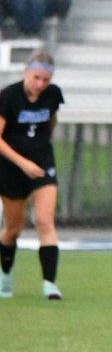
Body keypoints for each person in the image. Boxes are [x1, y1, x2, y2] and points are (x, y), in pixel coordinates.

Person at [0, 53, 65, 301]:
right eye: (36, 77)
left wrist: (39, 151)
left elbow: (51, 122)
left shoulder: (53, 95)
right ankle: (5, 275)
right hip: (10, 167)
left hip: (42, 164)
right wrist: (23, 162)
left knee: (44, 220)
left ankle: (50, 284)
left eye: (46, 79)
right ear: (26, 72)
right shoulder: (8, 97)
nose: (40, 84)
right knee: (13, 229)